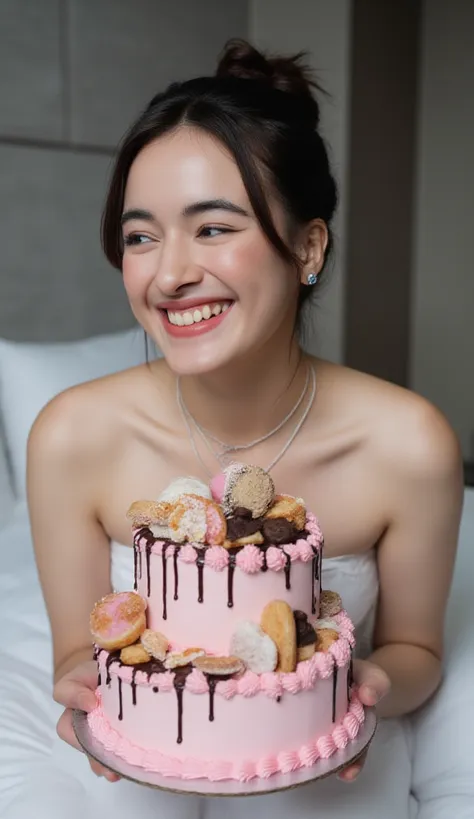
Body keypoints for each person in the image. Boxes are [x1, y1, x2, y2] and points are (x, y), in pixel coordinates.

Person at [27, 39, 463, 819]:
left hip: (321, 769)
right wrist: (80, 684)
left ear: (308, 247)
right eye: (140, 236)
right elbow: (80, 646)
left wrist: (367, 684)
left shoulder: (409, 444)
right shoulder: (71, 435)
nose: (168, 275)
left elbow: (420, 652)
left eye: (214, 227)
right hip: (145, 768)